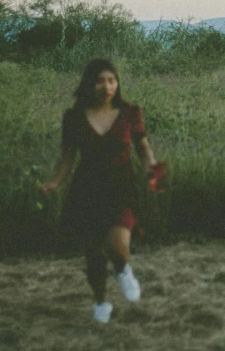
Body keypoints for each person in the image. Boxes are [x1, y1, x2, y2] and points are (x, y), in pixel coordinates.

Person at [41, 58, 166, 324]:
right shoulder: (74, 117)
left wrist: (153, 172)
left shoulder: (130, 112)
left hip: (122, 188)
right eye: (99, 80)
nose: (106, 86)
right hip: (86, 190)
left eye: (111, 80)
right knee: (94, 254)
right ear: (89, 84)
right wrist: (54, 182)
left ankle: (123, 268)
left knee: (117, 247)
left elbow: (144, 150)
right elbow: (67, 157)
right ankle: (101, 301)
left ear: (117, 83)